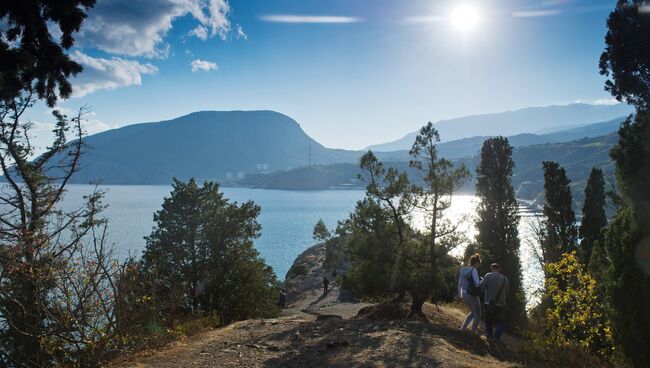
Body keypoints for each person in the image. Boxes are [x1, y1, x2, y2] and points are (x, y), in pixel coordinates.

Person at [479, 263, 509, 342]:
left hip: (489, 302)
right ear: (499, 269)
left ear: (491, 268)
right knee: (502, 322)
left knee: (489, 320)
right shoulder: (505, 279)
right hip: (501, 304)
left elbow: (482, 288)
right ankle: (496, 337)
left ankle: (489, 336)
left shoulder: (488, 275)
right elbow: (506, 292)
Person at [458, 253, 482, 333]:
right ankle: (473, 331)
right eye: (479, 264)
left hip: (464, 294)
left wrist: (460, 295)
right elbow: (477, 284)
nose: (479, 266)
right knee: (477, 314)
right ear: (476, 263)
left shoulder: (462, 270)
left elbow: (459, 284)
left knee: (473, 312)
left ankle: (463, 328)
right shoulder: (473, 270)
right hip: (472, 294)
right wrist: (482, 280)